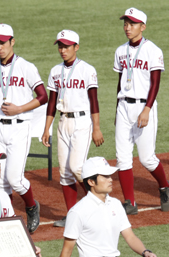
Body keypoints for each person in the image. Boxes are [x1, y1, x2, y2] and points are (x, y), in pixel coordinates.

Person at [0, 23, 48, 234]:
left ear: (12, 41)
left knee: (15, 178)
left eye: (3, 42)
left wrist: (20, 109)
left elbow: (43, 96)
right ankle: (7, 218)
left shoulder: (26, 67)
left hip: (20, 128)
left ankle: (31, 206)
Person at [42, 30, 104, 228]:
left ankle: (99, 204)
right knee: (64, 172)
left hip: (82, 122)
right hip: (63, 122)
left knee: (77, 167)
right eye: (60, 46)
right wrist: (46, 129)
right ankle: (72, 216)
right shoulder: (54, 71)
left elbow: (94, 101)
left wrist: (97, 128)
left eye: (67, 46)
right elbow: (52, 103)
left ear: (76, 47)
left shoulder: (87, 70)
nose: (63, 50)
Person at [114, 8, 169, 215]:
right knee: (122, 157)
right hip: (123, 106)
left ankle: (165, 186)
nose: (127, 27)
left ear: (143, 27)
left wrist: (147, 109)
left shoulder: (153, 50)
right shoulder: (120, 51)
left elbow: (155, 83)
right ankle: (130, 202)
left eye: (132, 24)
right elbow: (120, 83)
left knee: (147, 158)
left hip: (143, 106)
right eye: (126, 23)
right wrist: (116, 111)